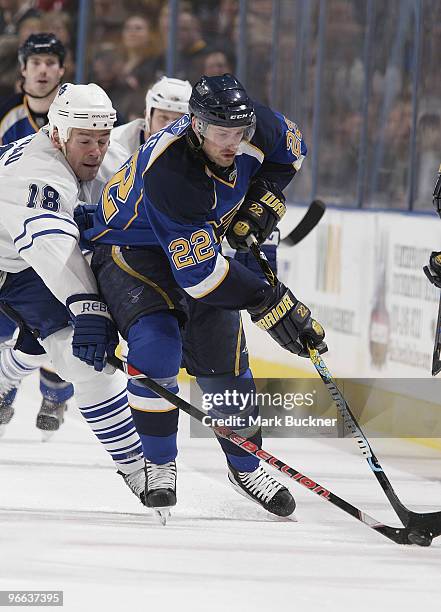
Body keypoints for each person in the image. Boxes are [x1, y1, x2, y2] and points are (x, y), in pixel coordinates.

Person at [87, 74, 326, 523]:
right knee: (157, 348)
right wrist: (271, 301)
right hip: (132, 249)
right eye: (221, 133)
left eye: (240, 131)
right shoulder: (171, 172)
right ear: (196, 125)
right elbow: (200, 278)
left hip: (197, 246)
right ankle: (158, 464)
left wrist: (261, 203)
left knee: (226, 369)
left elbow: (291, 155)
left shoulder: (255, 126)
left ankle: (246, 467)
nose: (233, 142)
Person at [0, 82, 147, 503]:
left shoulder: (107, 156)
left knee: (76, 354)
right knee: (86, 351)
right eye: (85, 141)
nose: (96, 150)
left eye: (103, 139)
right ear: (58, 134)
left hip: (20, 264)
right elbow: (54, 249)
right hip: (25, 260)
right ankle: (138, 468)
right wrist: (89, 308)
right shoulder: (36, 173)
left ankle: (7, 372)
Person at [0, 32, 74, 438]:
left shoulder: (75, 113)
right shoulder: (6, 117)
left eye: (51, 62)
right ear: (23, 71)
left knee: (62, 321)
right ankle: (4, 389)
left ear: (61, 70)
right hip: (10, 242)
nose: (43, 69)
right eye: (36, 62)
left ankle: (55, 392)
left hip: (58, 237)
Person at [110, 76, 192, 155]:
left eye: (178, 121)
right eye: (163, 117)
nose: (169, 126)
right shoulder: (116, 146)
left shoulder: (195, 151)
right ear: (147, 116)